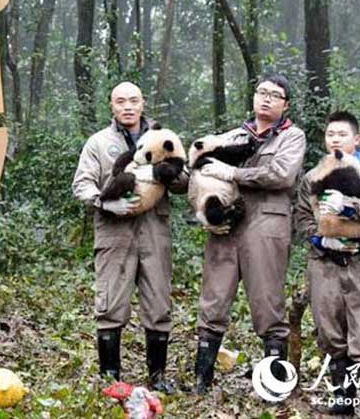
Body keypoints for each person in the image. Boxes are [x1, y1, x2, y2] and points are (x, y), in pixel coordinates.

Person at [72, 81, 188, 393]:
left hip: (154, 229)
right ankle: (110, 378)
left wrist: (169, 172)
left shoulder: (162, 138)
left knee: (159, 302)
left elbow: (185, 181)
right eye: (121, 101)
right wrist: (103, 202)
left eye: (133, 100)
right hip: (114, 231)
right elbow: (81, 184)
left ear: (142, 103)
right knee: (110, 302)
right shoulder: (99, 143)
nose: (128, 106)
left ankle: (157, 377)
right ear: (112, 105)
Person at [193, 73, 306, 393]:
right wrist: (204, 212)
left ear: (286, 104)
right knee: (213, 299)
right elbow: (201, 173)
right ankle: (202, 381)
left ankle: (274, 383)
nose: (266, 99)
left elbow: (282, 175)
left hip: (267, 223)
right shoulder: (233, 135)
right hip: (227, 224)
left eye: (275, 95)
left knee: (268, 302)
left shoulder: (291, 137)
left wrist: (233, 172)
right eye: (261, 92)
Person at [295, 111, 360, 418]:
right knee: (331, 330)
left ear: (356, 139)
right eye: (330, 134)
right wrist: (321, 240)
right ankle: (344, 399)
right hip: (325, 264)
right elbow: (302, 217)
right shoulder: (314, 176)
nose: (335, 139)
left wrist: (349, 205)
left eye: (342, 134)